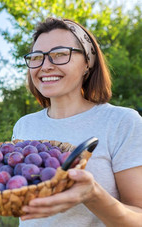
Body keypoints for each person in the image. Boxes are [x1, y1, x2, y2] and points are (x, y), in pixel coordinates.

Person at [12, 17, 142, 226]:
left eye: (60, 54)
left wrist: (93, 195)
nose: (45, 66)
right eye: (37, 57)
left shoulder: (122, 122)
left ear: (87, 64)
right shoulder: (24, 125)